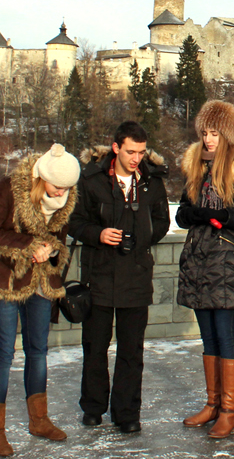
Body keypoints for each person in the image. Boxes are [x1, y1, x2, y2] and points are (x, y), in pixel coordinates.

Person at [0, 143, 81, 457]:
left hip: (41, 283)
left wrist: (52, 249)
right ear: (41, 177)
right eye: (57, 187)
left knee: (38, 351)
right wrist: (29, 244)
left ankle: (39, 420)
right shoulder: (10, 188)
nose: (61, 194)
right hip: (4, 280)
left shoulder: (66, 198)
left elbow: (60, 239)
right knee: (3, 354)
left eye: (67, 189)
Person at [68, 121, 170, 433]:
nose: (136, 158)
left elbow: (162, 222)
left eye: (141, 152)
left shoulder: (152, 183)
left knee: (131, 352)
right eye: (130, 151)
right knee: (95, 347)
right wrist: (99, 234)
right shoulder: (92, 180)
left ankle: (127, 413)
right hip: (98, 275)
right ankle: (94, 408)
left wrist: (141, 237)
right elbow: (74, 221)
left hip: (137, 275)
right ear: (116, 148)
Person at [177, 100, 234, 439]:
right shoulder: (196, 168)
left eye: (214, 133)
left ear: (227, 135)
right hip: (198, 262)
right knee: (208, 337)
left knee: (226, 336)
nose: (208, 139)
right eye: (204, 133)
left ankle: (229, 410)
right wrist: (191, 214)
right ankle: (212, 404)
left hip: (226, 264)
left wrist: (228, 218)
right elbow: (183, 212)